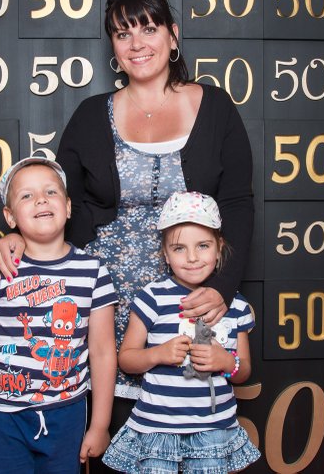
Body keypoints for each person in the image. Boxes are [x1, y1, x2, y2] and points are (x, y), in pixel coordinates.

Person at [0, 0, 254, 449]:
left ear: (172, 35)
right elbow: (57, 202)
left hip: (189, 298)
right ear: (113, 46)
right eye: (123, 33)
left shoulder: (216, 107)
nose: (136, 44)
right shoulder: (92, 115)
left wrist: (222, 288)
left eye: (148, 29)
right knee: (112, 443)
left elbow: (237, 204)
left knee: (193, 431)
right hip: (103, 302)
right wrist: (18, 240)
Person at [0, 156, 117, 474]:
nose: (41, 199)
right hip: (1, 416)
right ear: (10, 216)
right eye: (27, 195)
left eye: (51, 191)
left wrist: (100, 424)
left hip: (67, 413)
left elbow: (102, 351)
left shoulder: (93, 271)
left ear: (68, 207)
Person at [102, 191, 260, 473]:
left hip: (214, 429)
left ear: (219, 248)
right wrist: (158, 354)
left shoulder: (234, 305)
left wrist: (226, 362)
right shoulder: (152, 297)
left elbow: (244, 371)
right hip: (157, 429)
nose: (192, 258)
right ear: (165, 253)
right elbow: (126, 359)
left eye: (203, 246)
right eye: (179, 249)